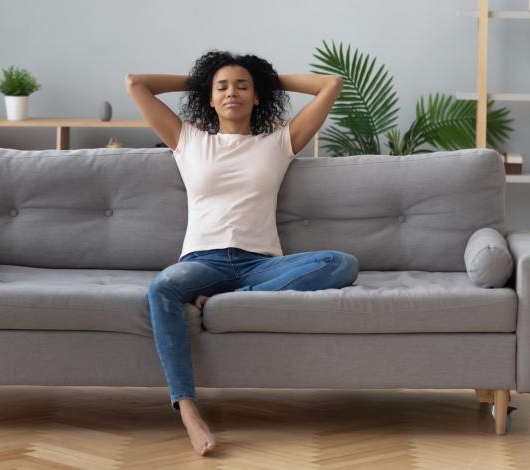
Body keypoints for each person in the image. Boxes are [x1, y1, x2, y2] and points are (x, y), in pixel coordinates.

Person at [125, 50, 358, 456]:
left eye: (242, 86)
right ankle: (188, 409)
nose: (232, 92)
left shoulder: (279, 142)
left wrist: (265, 78)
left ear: (257, 97)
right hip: (202, 263)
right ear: (209, 98)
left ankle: (231, 298)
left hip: (261, 266)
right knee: (162, 288)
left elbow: (331, 85)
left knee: (341, 263)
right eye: (222, 87)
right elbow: (135, 84)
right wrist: (201, 79)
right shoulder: (188, 140)